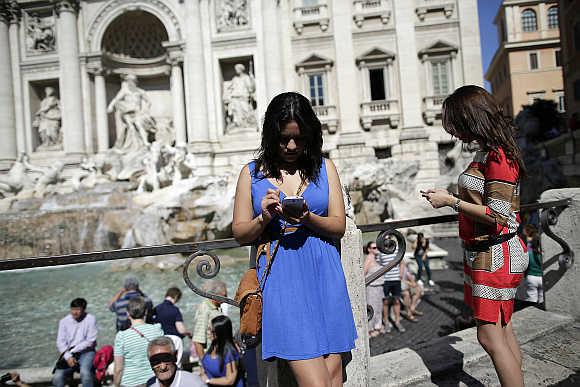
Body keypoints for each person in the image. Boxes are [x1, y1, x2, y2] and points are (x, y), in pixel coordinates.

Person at [232, 92, 356, 385]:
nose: (291, 146)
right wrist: (265, 217)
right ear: (270, 134)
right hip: (282, 278)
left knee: (334, 376)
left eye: (299, 139)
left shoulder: (325, 168)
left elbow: (338, 225)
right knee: (317, 383)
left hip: (325, 274)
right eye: (284, 138)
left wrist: (307, 218)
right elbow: (239, 233)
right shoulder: (251, 174)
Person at [422, 85, 528, 387]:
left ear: (471, 118)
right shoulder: (489, 152)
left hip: (495, 255)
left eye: (455, 122)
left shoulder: (498, 156)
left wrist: (451, 201)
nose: (453, 131)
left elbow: (497, 214)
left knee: (490, 337)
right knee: (504, 331)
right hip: (489, 253)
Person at [114, 297, 164, 387]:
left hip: (129, 383)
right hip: (154, 381)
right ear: (145, 312)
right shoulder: (157, 330)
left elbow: (119, 369)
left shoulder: (121, 336)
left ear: (128, 314)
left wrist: (116, 385)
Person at [52, 298, 98, 387]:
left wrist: (73, 351)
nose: (74, 312)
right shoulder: (63, 322)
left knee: (85, 373)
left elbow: (90, 341)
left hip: (87, 352)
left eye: (77, 310)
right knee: (57, 377)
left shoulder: (91, 319)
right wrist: (68, 356)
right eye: (72, 309)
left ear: (84, 310)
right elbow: (60, 342)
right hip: (68, 353)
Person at [200, 316, 244, 387]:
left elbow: (230, 380)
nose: (208, 332)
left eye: (211, 331)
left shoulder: (230, 353)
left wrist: (208, 380)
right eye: (208, 329)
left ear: (220, 333)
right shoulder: (213, 346)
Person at [191, 280, 227, 362]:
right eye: (224, 295)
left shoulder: (216, 307)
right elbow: (198, 340)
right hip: (211, 359)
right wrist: (205, 364)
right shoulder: (205, 309)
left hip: (219, 357)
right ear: (215, 295)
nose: (227, 298)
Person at [377, 250, 405, 333]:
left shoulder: (396, 250)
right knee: (385, 301)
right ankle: (386, 322)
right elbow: (378, 265)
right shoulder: (381, 252)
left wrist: (401, 273)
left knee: (397, 301)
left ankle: (397, 322)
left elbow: (402, 263)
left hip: (396, 279)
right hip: (385, 280)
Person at [516, 224, 544, 306]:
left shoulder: (528, 252)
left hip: (531, 277)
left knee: (531, 302)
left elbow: (525, 264)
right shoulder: (543, 253)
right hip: (542, 278)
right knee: (542, 302)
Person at [363, 241, 384, 337]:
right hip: (371, 287)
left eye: (377, 247)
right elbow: (363, 273)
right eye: (374, 247)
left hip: (379, 286)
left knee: (379, 307)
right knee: (372, 308)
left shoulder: (377, 258)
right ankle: (369, 330)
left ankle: (377, 326)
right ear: (369, 249)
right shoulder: (369, 258)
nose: (377, 249)